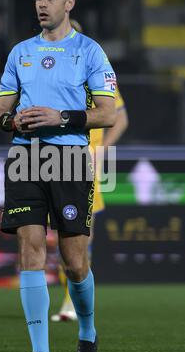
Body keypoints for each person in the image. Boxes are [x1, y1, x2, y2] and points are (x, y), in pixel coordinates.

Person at [0, 0, 117, 352]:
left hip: (69, 160)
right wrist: (12, 121)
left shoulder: (91, 52)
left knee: (74, 260)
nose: (41, 4)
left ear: (69, 3)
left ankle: (87, 334)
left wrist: (60, 117)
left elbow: (108, 113)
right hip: (25, 157)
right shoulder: (20, 53)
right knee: (30, 250)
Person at [51, 20, 129, 322]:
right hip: (55, 162)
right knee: (62, 235)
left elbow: (120, 119)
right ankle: (73, 300)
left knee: (82, 235)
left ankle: (74, 304)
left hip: (85, 163)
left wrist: (102, 149)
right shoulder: (51, 76)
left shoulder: (97, 73)